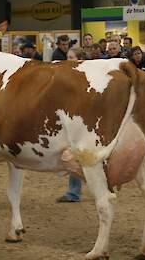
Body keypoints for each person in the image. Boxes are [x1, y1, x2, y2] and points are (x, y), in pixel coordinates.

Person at [56, 46, 86, 203]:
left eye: (72, 57)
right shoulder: (66, 76)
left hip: (83, 121)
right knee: (73, 154)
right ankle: (74, 192)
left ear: (80, 59)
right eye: (67, 57)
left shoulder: (86, 76)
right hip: (71, 120)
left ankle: (76, 192)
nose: (68, 60)